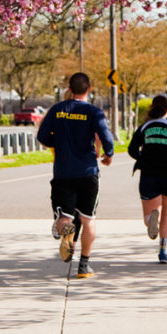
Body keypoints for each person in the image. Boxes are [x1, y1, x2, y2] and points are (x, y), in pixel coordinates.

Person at [37, 72, 114, 278]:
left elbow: (42, 136)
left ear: (69, 89)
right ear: (89, 88)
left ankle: (67, 234)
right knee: (88, 218)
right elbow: (106, 137)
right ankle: (84, 265)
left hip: (63, 172)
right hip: (88, 171)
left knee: (65, 215)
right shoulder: (94, 112)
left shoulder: (57, 110)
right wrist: (109, 154)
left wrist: (60, 144)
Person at [127, 94, 167, 263]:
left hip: (149, 174)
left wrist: (143, 156)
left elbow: (132, 149)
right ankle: (163, 251)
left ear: (151, 108)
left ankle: (150, 220)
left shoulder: (144, 127)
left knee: (149, 214)